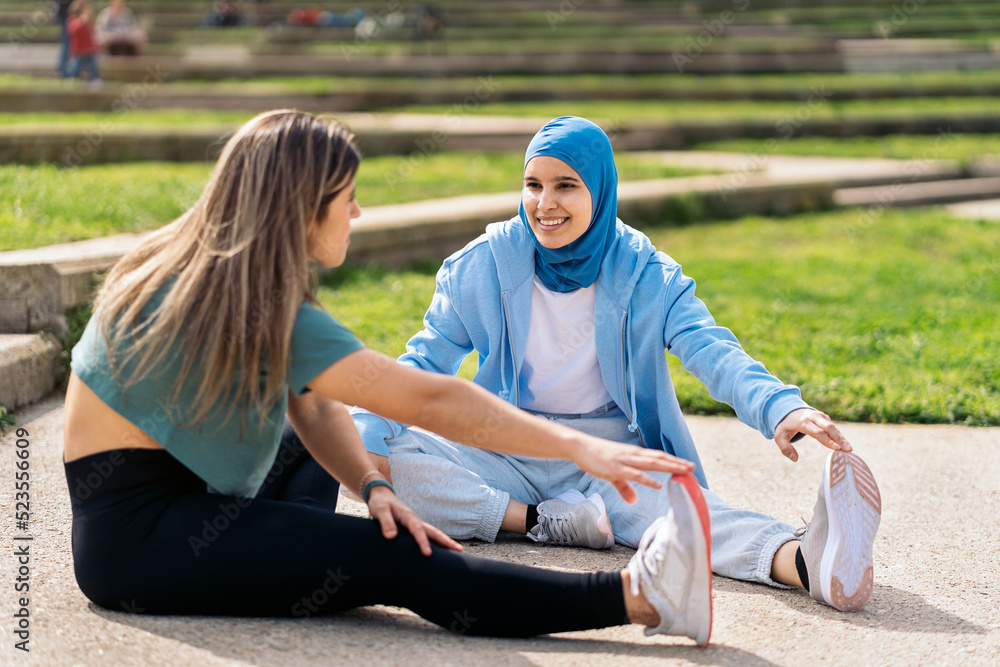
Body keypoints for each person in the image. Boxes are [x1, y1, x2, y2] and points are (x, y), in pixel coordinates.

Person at [63, 110, 715, 646]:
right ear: (302, 207)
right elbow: (428, 397)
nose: (359, 213)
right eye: (347, 200)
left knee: (321, 458)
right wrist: (579, 446)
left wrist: (373, 484)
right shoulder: (256, 303)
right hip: (137, 546)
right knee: (403, 556)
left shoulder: (221, 274)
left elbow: (314, 409)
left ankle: (291, 561)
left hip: (158, 504)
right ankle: (643, 598)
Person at [352, 116, 883, 613]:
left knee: (687, 515)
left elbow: (709, 346)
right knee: (366, 448)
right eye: (533, 184)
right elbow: (423, 364)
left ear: (600, 191)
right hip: (505, 452)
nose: (545, 203)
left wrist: (778, 405)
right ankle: (540, 522)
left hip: (606, 458)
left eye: (566, 185)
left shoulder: (646, 274)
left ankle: (807, 561)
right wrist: (372, 434)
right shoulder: (484, 265)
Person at [67, 1, 101, 85]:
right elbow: (73, 32)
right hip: (78, 50)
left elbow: (93, 33)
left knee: (93, 67)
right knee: (75, 67)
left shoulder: (90, 21)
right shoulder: (73, 21)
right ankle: (73, 79)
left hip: (89, 49)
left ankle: (95, 80)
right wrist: (81, 23)